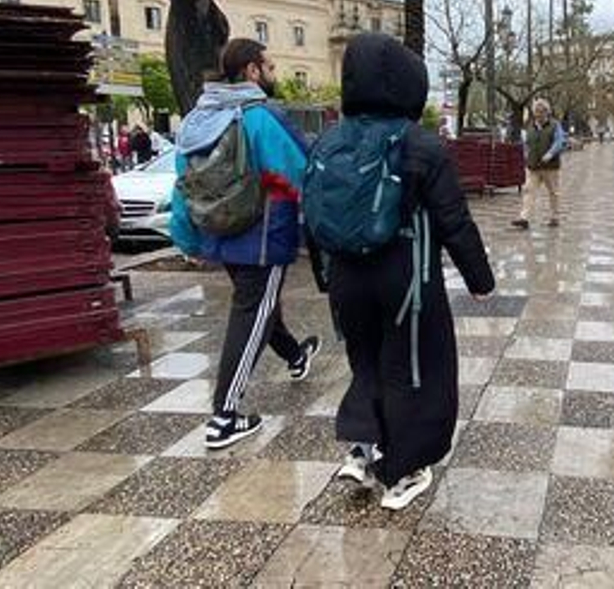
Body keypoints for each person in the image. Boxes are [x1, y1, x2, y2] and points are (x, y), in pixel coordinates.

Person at [310, 34, 494, 511]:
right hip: (406, 280)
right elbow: (454, 220)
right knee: (414, 370)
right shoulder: (420, 143)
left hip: (347, 281)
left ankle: (361, 450)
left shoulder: (328, 141)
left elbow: (312, 216)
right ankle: (402, 473)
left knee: (365, 362)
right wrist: (480, 280)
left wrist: (324, 277)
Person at [170, 38, 321, 450]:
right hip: (263, 235)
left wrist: (186, 237)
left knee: (258, 306)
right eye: (269, 67)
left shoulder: (195, 120)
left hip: (218, 233)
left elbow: (182, 184)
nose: (273, 75)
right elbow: (299, 171)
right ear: (252, 71)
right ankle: (224, 415)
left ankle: (294, 355)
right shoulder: (259, 117)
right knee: (253, 311)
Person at [512, 98, 565, 229]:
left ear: (547, 112)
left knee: (553, 192)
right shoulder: (530, 126)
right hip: (533, 166)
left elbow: (560, 142)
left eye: (542, 112)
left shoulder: (555, 125)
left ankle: (555, 217)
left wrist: (550, 153)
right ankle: (524, 218)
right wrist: (525, 156)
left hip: (550, 167)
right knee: (529, 191)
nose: (539, 114)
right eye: (536, 111)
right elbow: (526, 144)